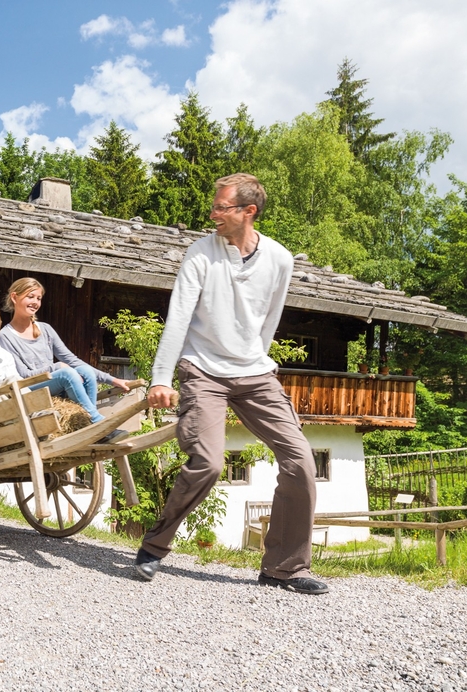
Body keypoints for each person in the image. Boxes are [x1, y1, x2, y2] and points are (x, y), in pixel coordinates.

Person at [135, 173, 328, 596]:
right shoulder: (201, 253)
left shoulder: (279, 258)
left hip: (255, 373)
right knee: (208, 463)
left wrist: (257, 363)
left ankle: (284, 568)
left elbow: (270, 319)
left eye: (222, 207)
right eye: (215, 205)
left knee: (301, 464)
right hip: (203, 370)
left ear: (248, 211)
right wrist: (161, 378)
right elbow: (178, 316)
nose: (213, 213)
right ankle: (155, 544)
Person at [0, 277, 131, 440]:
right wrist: (56, 368)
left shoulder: (45, 329)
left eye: (38, 298)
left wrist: (112, 380)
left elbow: (72, 360)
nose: (35, 302)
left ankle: (87, 425)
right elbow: (24, 375)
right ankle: (98, 425)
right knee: (66, 373)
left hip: (53, 382)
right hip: (30, 388)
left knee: (85, 370)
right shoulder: (5, 336)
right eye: (30, 296)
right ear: (14, 297)